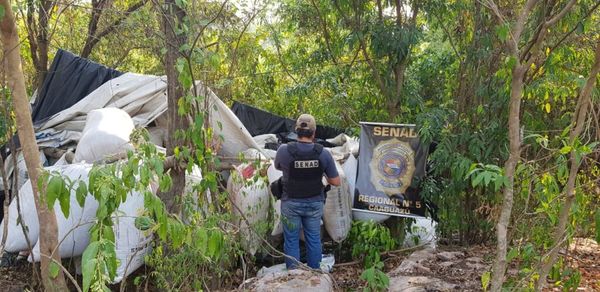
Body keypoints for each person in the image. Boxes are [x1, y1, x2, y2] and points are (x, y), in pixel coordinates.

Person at [274, 114, 341, 270]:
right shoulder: (323, 153)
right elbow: (336, 181)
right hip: (314, 203)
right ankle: (315, 276)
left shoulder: (284, 150)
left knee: (291, 241)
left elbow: (278, 167)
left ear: (296, 131)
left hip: (290, 203)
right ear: (314, 132)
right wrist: (321, 172)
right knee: (314, 240)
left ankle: (293, 277)